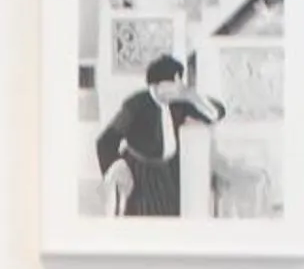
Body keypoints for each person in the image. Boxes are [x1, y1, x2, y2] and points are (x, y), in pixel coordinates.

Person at [94, 55, 225, 217]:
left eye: (180, 80)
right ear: (158, 84)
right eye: (174, 81)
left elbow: (216, 113)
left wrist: (192, 97)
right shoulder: (136, 104)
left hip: (169, 172)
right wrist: (119, 167)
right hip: (141, 173)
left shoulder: (179, 103)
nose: (179, 86)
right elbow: (105, 141)